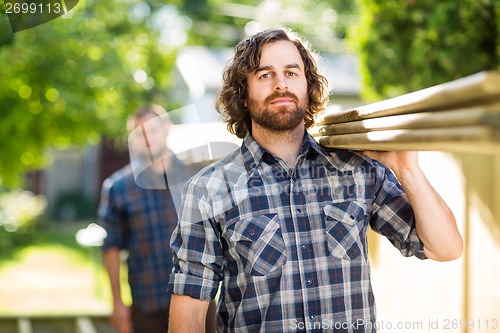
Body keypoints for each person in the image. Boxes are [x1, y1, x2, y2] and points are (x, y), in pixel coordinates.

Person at [167, 28, 463, 332]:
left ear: (308, 86)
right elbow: (189, 306)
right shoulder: (209, 190)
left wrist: (407, 169)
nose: (281, 84)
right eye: (265, 75)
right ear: (243, 95)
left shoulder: (358, 170)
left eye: (292, 72)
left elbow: (446, 248)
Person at [98, 104, 193, 333]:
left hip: (195, 300)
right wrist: (117, 303)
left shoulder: (195, 178)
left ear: (167, 129)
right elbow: (111, 247)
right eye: (139, 133)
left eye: (152, 130)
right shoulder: (118, 187)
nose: (147, 138)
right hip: (147, 303)